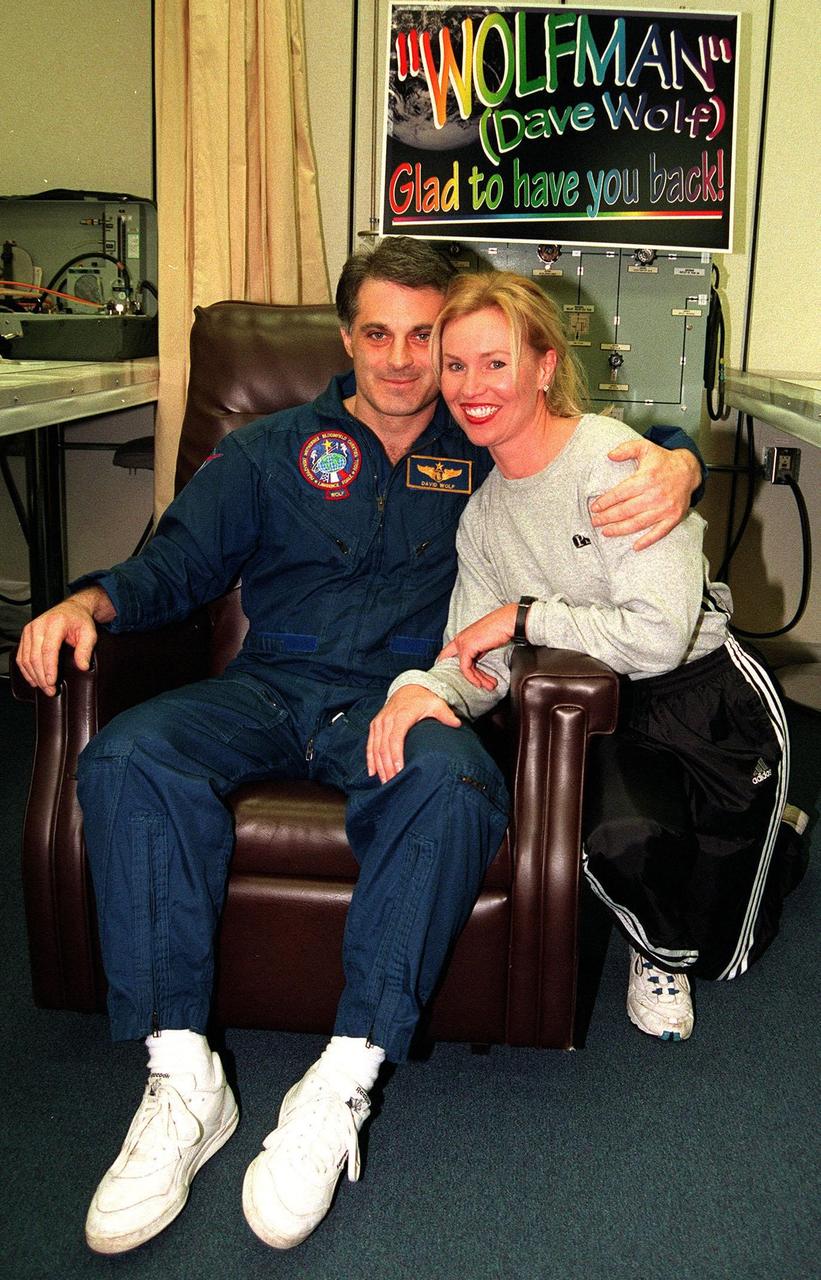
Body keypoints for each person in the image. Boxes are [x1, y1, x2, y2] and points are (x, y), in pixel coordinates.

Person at [15, 239, 703, 1256]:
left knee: (453, 790)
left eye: (424, 336)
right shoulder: (263, 449)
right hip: (263, 687)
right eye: (376, 332)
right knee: (127, 754)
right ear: (344, 337)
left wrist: (676, 452)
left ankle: (341, 1080)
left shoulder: (481, 438)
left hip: (394, 701)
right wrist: (84, 599)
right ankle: (182, 1080)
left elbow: (585, 448)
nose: (400, 358)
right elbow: (178, 563)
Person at [369, 269, 800, 1047]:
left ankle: (784, 832)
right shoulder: (484, 519)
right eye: (456, 365)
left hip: (704, 698)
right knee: (622, 853)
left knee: (733, 951)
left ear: (541, 367)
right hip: (607, 714)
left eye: (495, 363)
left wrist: (527, 615)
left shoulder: (614, 462)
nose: (472, 386)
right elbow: (480, 663)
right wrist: (414, 692)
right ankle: (651, 946)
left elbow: (658, 636)